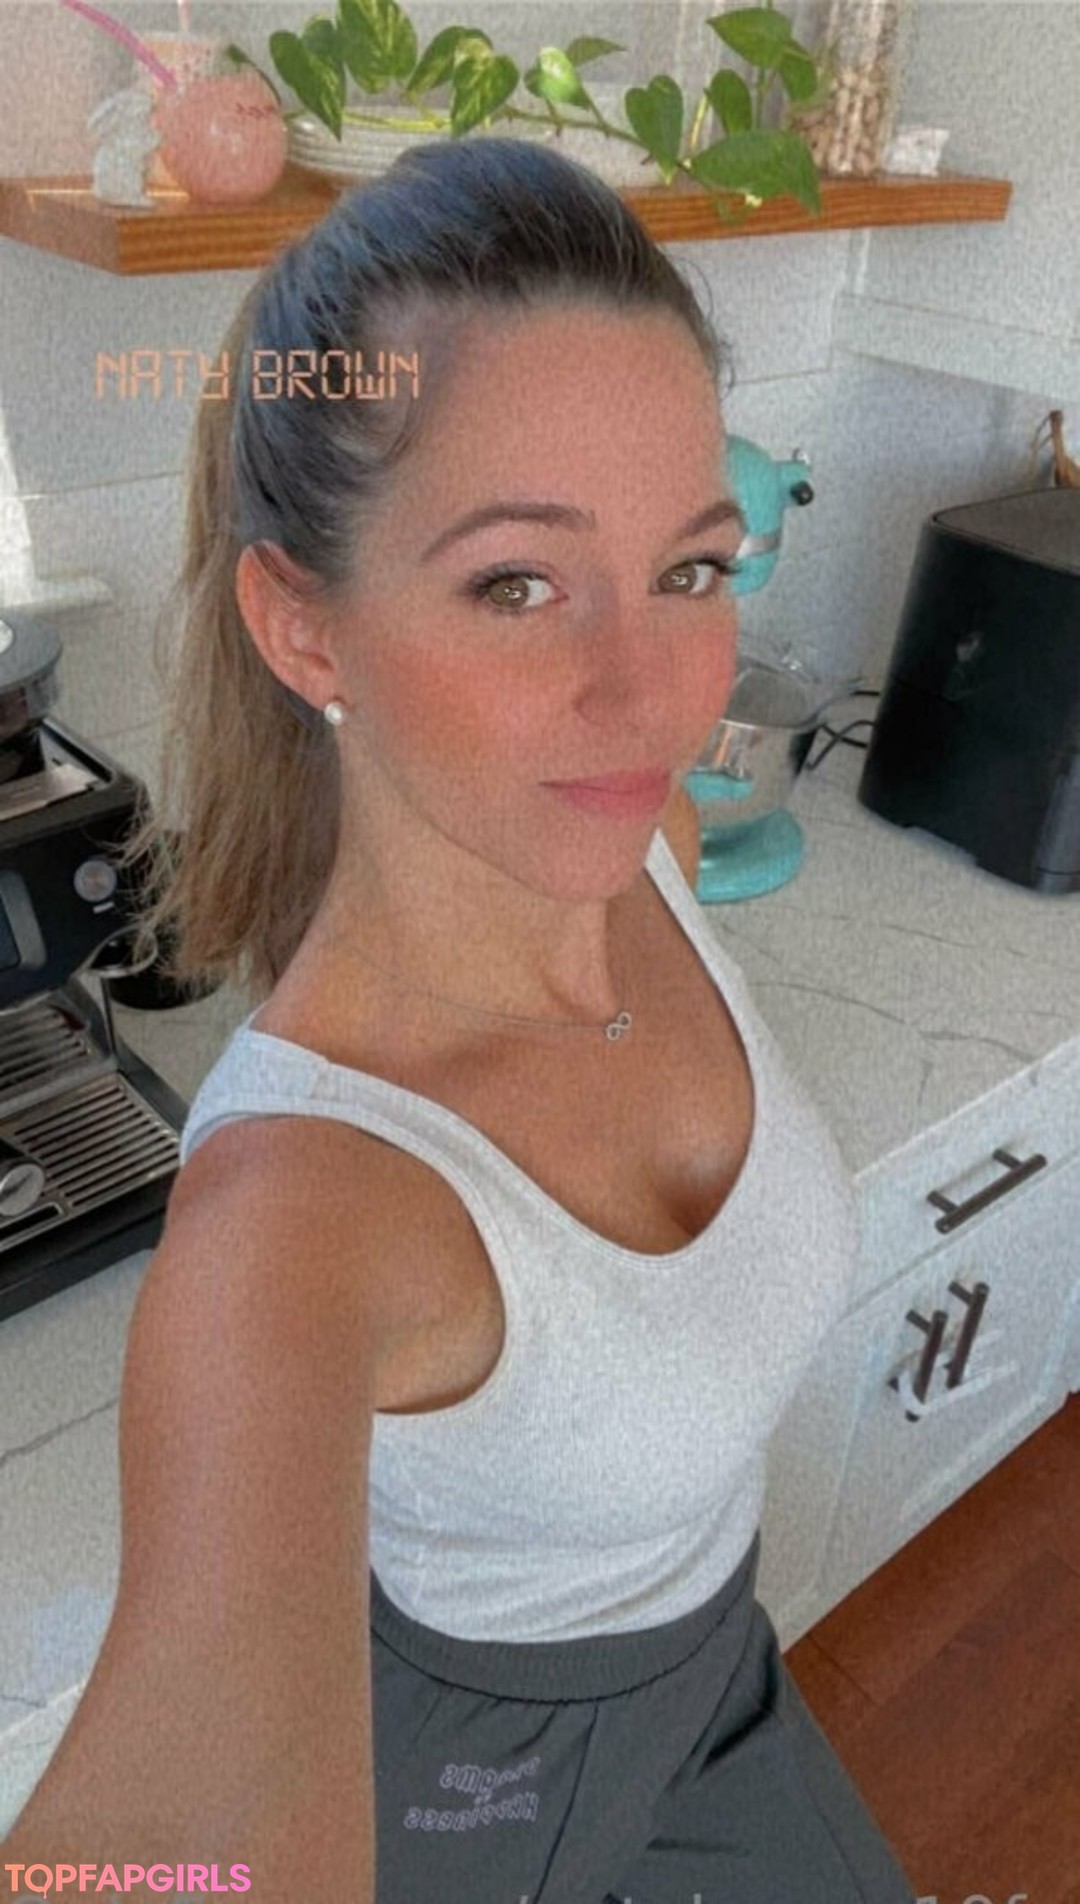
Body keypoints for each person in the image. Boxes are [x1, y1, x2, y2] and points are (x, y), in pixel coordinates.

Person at [0, 137, 916, 1903]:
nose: (645, 692)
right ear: (305, 629)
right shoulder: (295, 1225)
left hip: (719, 1670)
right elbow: (170, 1833)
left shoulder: (648, 854)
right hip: (480, 1793)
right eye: (517, 583)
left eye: (692, 570)